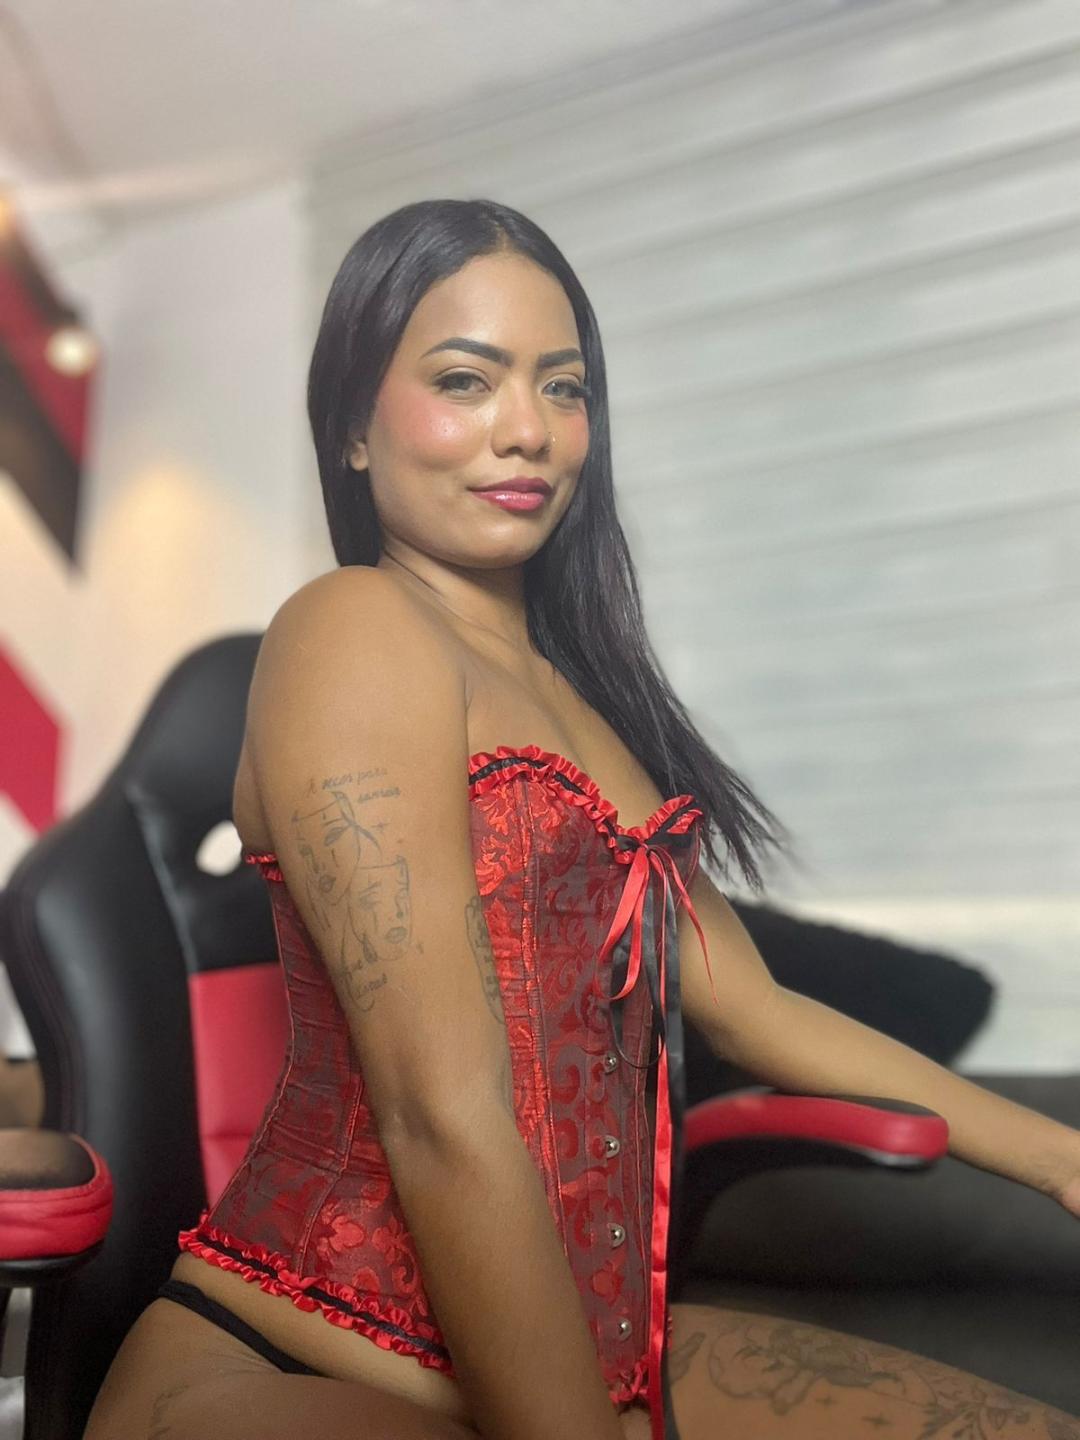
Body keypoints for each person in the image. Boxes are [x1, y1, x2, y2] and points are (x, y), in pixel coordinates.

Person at [84, 199, 1080, 1440]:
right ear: (350, 425)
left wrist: (1059, 1158)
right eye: (466, 380)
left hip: (596, 1345)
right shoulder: (353, 631)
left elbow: (756, 1008)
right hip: (287, 1356)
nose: (528, 430)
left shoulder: (581, 701)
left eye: (562, 388)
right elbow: (439, 1111)